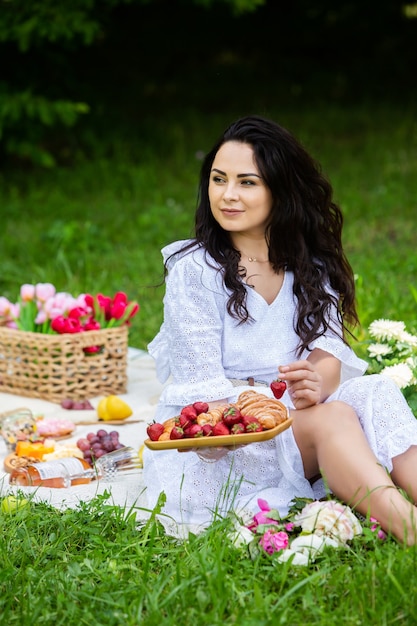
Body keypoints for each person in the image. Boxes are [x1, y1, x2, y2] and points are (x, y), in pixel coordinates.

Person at [143, 115, 417, 543]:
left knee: (375, 391)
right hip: (222, 445)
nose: (228, 195)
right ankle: (409, 528)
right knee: (335, 418)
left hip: (294, 419)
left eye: (247, 182)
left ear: (280, 190)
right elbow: (204, 395)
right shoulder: (195, 271)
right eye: (218, 179)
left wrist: (314, 384)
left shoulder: (311, 264)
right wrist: (283, 408)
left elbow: (327, 353)